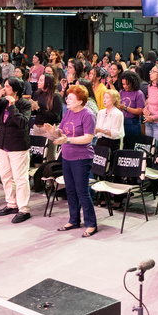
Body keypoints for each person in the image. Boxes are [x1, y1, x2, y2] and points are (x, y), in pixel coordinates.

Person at [48, 85, 98, 237]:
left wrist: (67, 140)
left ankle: (91, 224)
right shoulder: (68, 113)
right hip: (67, 156)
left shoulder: (88, 115)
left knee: (82, 191)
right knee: (69, 189)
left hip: (82, 157)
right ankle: (73, 219)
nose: (67, 100)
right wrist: (52, 131)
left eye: (71, 98)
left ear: (81, 101)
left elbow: (88, 138)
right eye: (67, 97)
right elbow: (61, 133)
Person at [0, 78, 34, 223]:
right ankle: (11, 204)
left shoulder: (24, 104)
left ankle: (24, 209)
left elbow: (22, 123)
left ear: (15, 90)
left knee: (20, 179)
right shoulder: (2, 102)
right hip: (3, 144)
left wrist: (12, 106)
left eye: (7, 87)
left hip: (18, 146)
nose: (4, 88)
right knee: (6, 176)